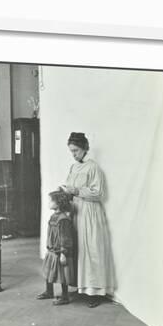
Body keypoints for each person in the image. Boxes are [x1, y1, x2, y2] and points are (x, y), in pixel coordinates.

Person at [60, 132, 116, 308]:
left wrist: (76, 191)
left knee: (91, 249)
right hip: (76, 211)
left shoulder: (93, 168)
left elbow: (99, 193)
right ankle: (80, 287)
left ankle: (95, 292)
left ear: (85, 148)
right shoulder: (73, 167)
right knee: (77, 249)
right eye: (71, 151)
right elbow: (70, 187)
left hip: (90, 212)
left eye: (76, 150)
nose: (74, 154)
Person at [36, 190, 75, 305]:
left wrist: (64, 252)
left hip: (60, 251)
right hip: (52, 250)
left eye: (51, 201)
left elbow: (65, 237)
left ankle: (65, 296)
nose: (49, 203)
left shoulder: (63, 219)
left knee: (63, 275)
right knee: (49, 271)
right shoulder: (54, 216)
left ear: (59, 203)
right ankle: (49, 291)